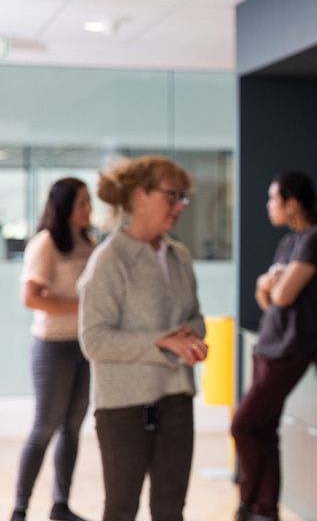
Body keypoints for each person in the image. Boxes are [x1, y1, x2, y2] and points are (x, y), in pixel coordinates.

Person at [78, 156, 207, 521]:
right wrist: (162, 342)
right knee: (121, 509)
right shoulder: (108, 260)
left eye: (183, 197)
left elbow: (195, 316)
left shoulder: (179, 255)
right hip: (124, 406)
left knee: (171, 509)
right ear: (139, 197)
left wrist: (190, 334)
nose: (180, 206)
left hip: (177, 397)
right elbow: (94, 340)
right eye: (172, 195)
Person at [231, 172, 317, 521]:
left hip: (291, 349)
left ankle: (249, 503)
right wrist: (269, 286)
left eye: (272, 199)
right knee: (262, 429)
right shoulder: (289, 242)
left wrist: (270, 285)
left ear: (291, 204)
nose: (267, 206)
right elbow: (266, 298)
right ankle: (264, 509)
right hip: (269, 346)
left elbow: (281, 294)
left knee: (243, 425)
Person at [11, 178, 96, 521]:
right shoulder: (44, 244)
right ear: (64, 208)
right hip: (52, 349)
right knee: (44, 427)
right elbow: (31, 297)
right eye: (82, 204)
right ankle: (20, 508)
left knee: (72, 427)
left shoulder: (88, 243)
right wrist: (82, 305)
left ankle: (60, 505)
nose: (89, 210)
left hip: (83, 346)